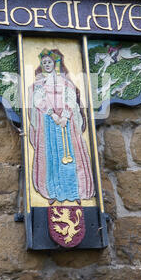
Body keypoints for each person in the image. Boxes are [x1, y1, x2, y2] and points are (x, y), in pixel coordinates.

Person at [28, 48, 95, 205]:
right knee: (51, 157)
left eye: (49, 62)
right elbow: (38, 100)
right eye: (44, 62)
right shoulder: (39, 84)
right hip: (49, 124)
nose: (47, 64)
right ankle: (53, 192)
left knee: (72, 156)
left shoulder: (66, 83)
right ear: (42, 65)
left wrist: (64, 116)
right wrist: (53, 115)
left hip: (67, 123)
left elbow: (71, 99)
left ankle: (75, 192)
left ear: (55, 63)